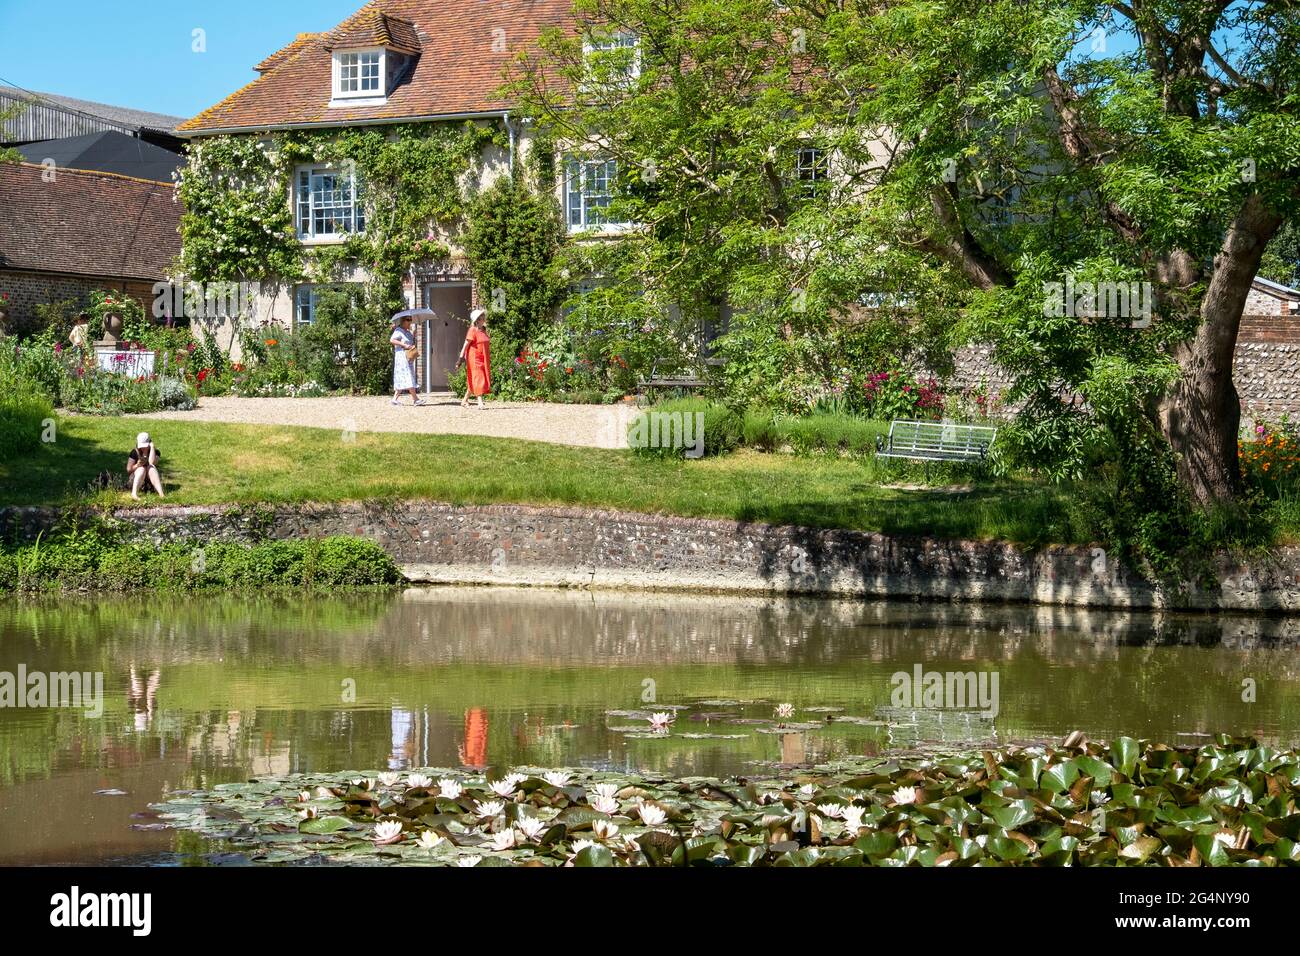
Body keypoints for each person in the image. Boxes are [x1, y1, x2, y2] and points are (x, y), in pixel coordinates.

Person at [458, 308, 492, 409]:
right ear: (477, 319)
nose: (484, 318)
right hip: (474, 358)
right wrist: (460, 358)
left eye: (483, 316)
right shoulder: (472, 330)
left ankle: (464, 400)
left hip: (483, 358)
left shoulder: (483, 330)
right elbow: (465, 345)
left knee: (477, 378)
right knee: (478, 377)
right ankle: (480, 402)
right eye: (481, 316)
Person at [390, 314, 425, 406]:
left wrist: (413, 335)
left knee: (404, 376)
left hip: (408, 357)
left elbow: (411, 343)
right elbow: (392, 340)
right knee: (408, 376)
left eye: (410, 320)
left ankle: (394, 399)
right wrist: (404, 345)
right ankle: (415, 399)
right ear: (403, 321)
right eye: (408, 319)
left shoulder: (408, 332)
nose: (410, 321)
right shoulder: (398, 331)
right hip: (401, 357)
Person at [127, 432, 165, 501]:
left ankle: (161, 494)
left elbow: (151, 463)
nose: (143, 447)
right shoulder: (134, 452)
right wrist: (137, 465)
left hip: (149, 481)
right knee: (141, 469)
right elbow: (129, 470)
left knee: (151, 468)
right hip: (135, 480)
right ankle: (134, 494)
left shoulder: (156, 452)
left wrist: (152, 447)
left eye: (145, 445)